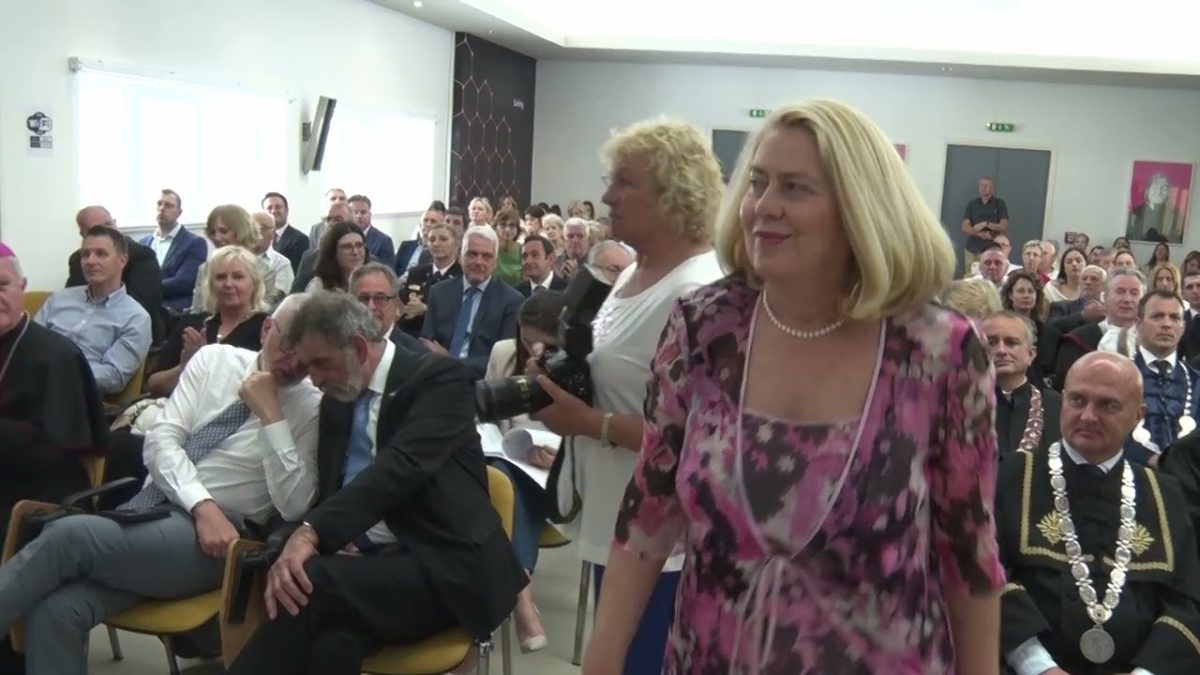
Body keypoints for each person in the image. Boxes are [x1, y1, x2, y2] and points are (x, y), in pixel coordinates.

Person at [585, 101, 1004, 675]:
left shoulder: (938, 350)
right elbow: (649, 508)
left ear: (860, 206)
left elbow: (969, 551)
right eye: (757, 182)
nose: (763, 206)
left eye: (795, 188)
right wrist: (602, 658)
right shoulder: (706, 326)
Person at [0, 295, 321, 675]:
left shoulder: (312, 406)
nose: (294, 363)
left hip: (221, 542)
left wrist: (272, 417)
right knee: (57, 610)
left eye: (307, 357)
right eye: (288, 347)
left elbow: (294, 506)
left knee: (68, 536)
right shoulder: (214, 359)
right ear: (267, 329)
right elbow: (160, 440)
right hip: (158, 513)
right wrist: (201, 505)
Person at [226, 292, 525, 675]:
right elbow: (330, 493)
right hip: (365, 571)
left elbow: (399, 469)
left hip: (441, 567)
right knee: (332, 646)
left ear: (358, 347)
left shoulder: (439, 380)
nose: (314, 379)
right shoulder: (337, 399)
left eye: (320, 363)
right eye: (308, 366)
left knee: (308, 582)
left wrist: (312, 532)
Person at [525, 117, 729, 674]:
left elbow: (700, 440)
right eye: (608, 181)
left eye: (624, 183)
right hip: (615, 518)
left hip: (666, 547)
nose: (608, 196)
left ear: (673, 192)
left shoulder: (697, 291)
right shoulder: (633, 271)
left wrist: (587, 422)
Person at [996, 352, 1200, 675]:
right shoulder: (1010, 476)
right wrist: (1038, 666)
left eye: (1108, 405)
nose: (1088, 416)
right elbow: (989, 578)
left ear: (1138, 416)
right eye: (1077, 400)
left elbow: (1186, 603)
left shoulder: (1164, 493)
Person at [0, 244, 107, 536]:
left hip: (34, 494)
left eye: (2, 285)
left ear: (22, 286)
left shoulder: (57, 355)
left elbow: (57, 453)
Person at [482, 291, 568, 654]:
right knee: (503, 476)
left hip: (560, 478)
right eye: (527, 340)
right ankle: (522, 594)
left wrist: (560, 456)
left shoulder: (579, 364)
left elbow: (588, 433)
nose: (535, 352)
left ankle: (519, 595)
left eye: (546, 345)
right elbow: (486, 417)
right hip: (509, 462)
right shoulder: (503, 353)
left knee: (505, 485)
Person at [35, 225, 152, 395]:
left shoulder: (136, 318)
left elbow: (113, 377)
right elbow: (30, 342)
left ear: (122, 261)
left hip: (76, 395)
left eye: (101, 254)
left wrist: (60, 369)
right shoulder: (59, 299)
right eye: (85, 254)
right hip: (31, 382)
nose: (90, 261)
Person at [146, 246, 269, 398]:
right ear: (211, 285)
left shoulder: (267, 328)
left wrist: (206, 362)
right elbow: (153, 385)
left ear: (255, 283)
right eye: (221, 277)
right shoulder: (192, 325)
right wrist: (185, 367)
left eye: (238, 277)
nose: (228, 284)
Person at [420, 225, 523, 380]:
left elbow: (503, 362)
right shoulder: (438, 292)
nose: (478, 262)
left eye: (486, 256)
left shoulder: (511, 300)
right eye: (472, 254)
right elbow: (426, 345)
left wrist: (451, 362)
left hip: (481, 384)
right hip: (438, 379)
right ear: (460, 256)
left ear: (495, 262)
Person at [67, 205, 165, 344]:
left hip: (129, 332)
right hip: (84, 333)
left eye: (108, 225)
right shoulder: (78, 259)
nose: (106, 233)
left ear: (115, 223)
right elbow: (72, 301)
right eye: (96, 230)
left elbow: (143, 304)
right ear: (83, 235)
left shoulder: (142, 255)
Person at [1123, 290, 1200, 465]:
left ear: (1183, 327)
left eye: (1174, 318)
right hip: (1132, 473)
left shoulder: (1196, 382)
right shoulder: (1116, 377)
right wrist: (1148, 459)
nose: (1167, 324)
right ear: (1139, 324)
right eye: (1157, 316)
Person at [983, 311, 1062, 455]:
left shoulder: (1058, 406)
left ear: (1030, 354)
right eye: (991, 343)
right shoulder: (959, 407)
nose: (1001, 350)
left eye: (1011, 343)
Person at [1055, 267, 1146, 387]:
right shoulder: (1079, 341)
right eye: (1120, 292)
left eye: (1134, 293)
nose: (1127, 299)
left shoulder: (1152, 340)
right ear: (1105, 297)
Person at [190, 205, 277, 313]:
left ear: (242, 230)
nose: (216, 237)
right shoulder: (205, 269)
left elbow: (263, 313)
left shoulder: (264, 271)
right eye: (212, 232)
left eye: (223, 231)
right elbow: (197, 311)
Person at [140, 189, 207, 312]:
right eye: (159, 204)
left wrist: (145, 288)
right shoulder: (143, 243)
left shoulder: (195, 243)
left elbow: (184, 282)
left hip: (175, 310)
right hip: (142, 308)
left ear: (179, 213)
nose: (162, 208)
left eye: (168, 205)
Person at [397, 222, 462, 337]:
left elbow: (458, 313)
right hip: (410, 333)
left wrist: (425, 310)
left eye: (443, 239)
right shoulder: (416, 272)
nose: (436, 244)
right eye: (432, 240)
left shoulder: (461, 275)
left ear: (456, 244)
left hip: (441, 337)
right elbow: (405, 302)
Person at [349, 262, 426, 353]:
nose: (371, 307)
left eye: (380, 298)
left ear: (396, 305)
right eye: (364, 299)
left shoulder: (419, 356)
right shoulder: (338, 349)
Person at [1001, 270, 1058, 387]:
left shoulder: (1048, 332)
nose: (1026, 295)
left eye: (1031, 291)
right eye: (1020, 291)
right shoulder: (1000, 327)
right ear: (1010, 295)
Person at [293, 202, 353, 294]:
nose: (331, 223)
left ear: (351, 223)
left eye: (338, 219)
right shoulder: (309, 258)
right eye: (328, 219)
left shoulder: (363, 257)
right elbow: (296, 294)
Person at [961, 175, 1009, 270]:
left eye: (987, 185)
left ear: (992, 188)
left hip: (991, 250)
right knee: (970, 275)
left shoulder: (999, 204)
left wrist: (986, 224)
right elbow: (965, 227)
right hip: (972, 248)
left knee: (988, 274)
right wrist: (981, 234)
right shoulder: (972, 204)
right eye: (981, 185)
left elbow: (1004, 226)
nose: (983, 188)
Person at [307, 221, 366, 292]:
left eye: (359, 245)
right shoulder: (319, 287)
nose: (355, 252)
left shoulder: (373, 281)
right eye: (347, 247)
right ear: (333, 252)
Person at [251, 210, 294, 306]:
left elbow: (277, 298)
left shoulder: (282, 263)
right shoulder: (237, 258)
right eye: (251, 227)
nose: (256, 232)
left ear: (273, 234)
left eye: (262, 228)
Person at [1129, 173, 1182, 243]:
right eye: (1155, 187)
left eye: (1164, 189)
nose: (1158, 192)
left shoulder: (1175, 214)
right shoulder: (1135, 212)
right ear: (1147, 190)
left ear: (1168, 193)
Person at [264, 192, 309, 273]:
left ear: (287, 211)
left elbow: (300, 272)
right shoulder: (258, 239)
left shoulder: (300, 239)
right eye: (269, 208)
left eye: (278, 207)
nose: (274, 211)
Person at [348, 194, 395, 269]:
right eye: (355, 212)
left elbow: (388, 272)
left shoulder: (384, 241)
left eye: (363, 212)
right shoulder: (343, 238)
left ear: (370, 215)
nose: (359, 216)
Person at [394, 205, 442, 273]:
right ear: (420, 225)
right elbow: (393, 269)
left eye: (433, 221)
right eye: (425, 220)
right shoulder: (406, 246)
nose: (428, 224)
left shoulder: (440, 250)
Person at [492, 206, 524, 285]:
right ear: (496, 228)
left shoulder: (523, 250)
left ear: (517, 229)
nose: (507, 230)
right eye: (503, 225)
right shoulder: (491, 249)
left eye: (512, 225)